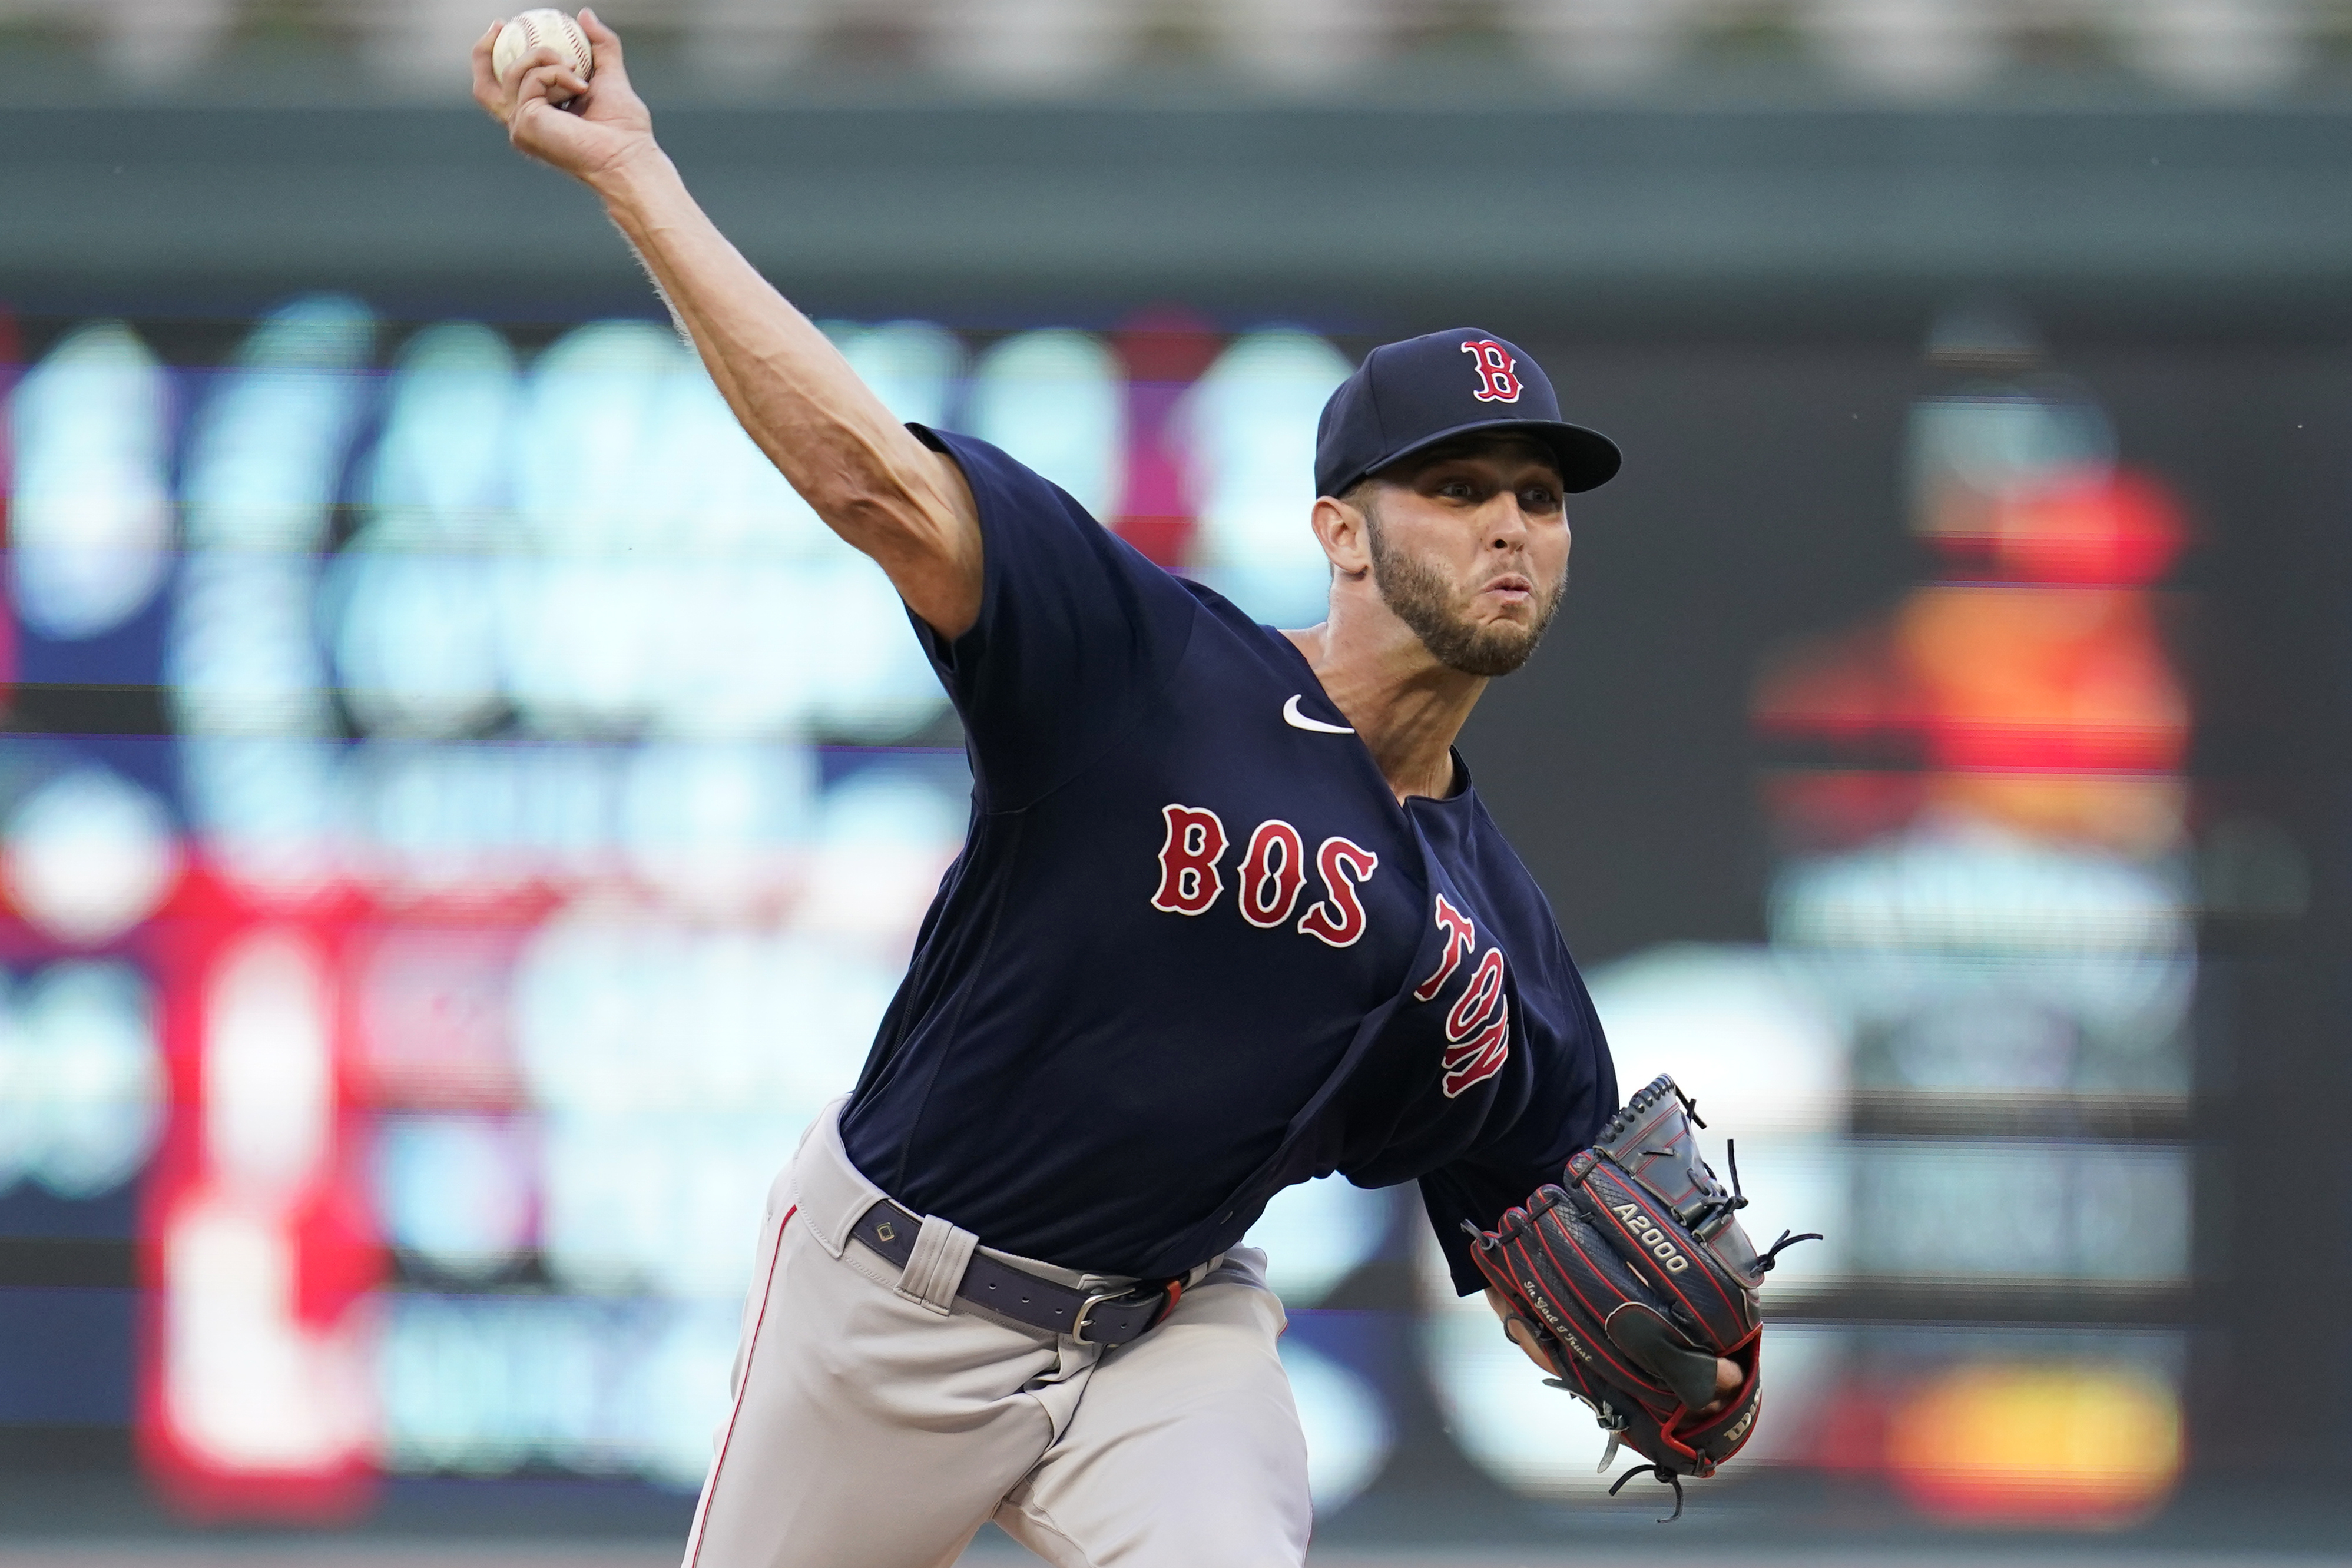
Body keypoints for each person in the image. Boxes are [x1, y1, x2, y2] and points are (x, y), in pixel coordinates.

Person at [472, 14, 1734, 1567]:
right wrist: (634, 172)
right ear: (1342, 534)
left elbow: (1577, 1238)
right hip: (888, 1308)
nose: (1509, 529)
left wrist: (1705, 1359)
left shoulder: (1503, 951)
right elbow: (867, 475)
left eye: (1537, 499)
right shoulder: (1144, 668)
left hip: (1163, 1340)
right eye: (1457, 488)